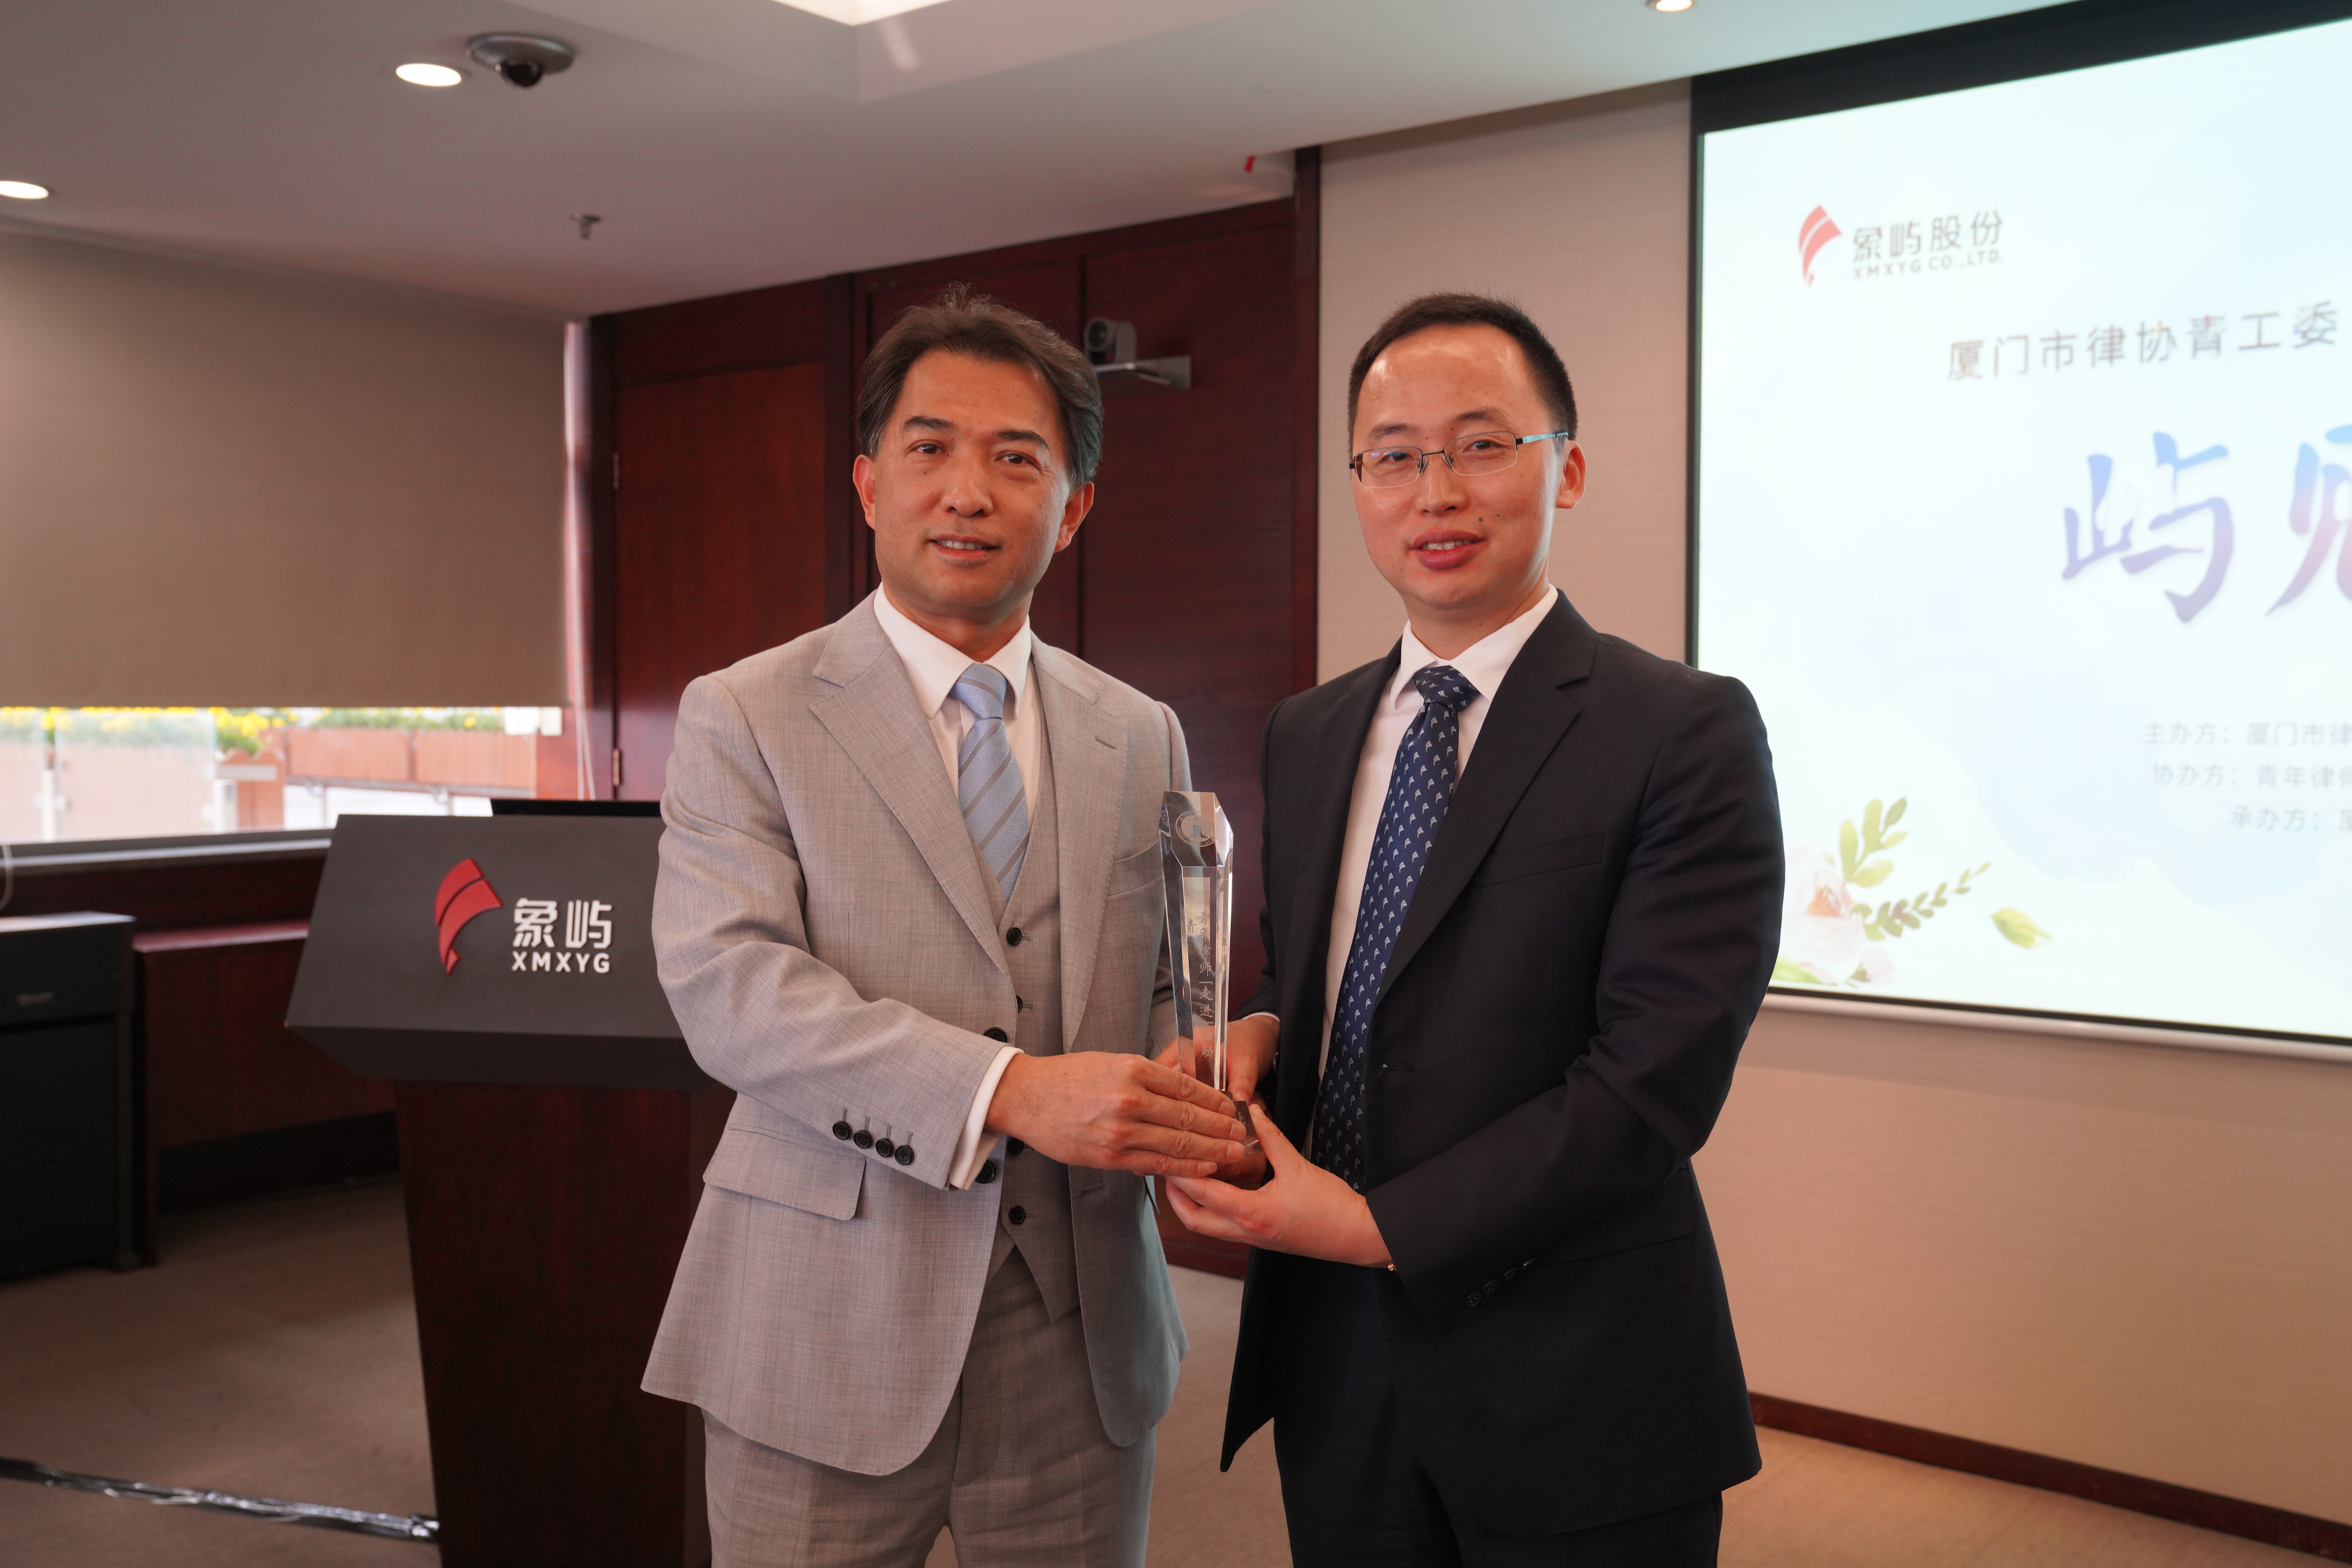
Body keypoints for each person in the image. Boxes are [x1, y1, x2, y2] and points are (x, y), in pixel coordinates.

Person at [1170, 292, 1782, 1567]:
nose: (1436, 490)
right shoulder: (1310, 731)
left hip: (1578, 1361)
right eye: (1394, 455)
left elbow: (1652, 1084)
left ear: (1568, 467)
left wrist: (1371, 1226)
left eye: (1482, 445)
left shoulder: (1683, 729)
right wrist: (1262, 1033)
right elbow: (1326, 974)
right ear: (1358, 485)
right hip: (1337, 1354)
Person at [644, 285, 1248, 1568]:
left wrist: (1193, 1062)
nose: (966, 492)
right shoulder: (745, 714)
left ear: (1072, 509)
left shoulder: (1140, 731)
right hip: (826, 1322)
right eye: (929, 448)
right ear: (870, 485)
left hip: (1079, 1334)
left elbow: (1155, 986)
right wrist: (1012, 1092)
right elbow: (730, 989)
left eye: (1016, 458)